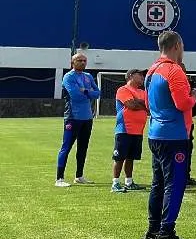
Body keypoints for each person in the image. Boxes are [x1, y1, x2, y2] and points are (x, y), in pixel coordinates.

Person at [144, 30, 196, 239]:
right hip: (173, 136)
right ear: (177, 45)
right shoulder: (174, 71)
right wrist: (194, 96)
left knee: (158, 184)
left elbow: (148, 105)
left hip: (155, 133)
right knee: (174, 185)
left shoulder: (151, 70)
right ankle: (166, 234)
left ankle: (152, 231)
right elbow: (182, 104)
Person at [55, 53, 101, 187]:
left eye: (84, 60)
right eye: (79, 60)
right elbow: (75, 96)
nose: (82, 62)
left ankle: (79, 176)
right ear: (72, 62)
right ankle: (59, 178)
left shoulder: (87, 77)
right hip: (73, 118)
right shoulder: (68, 77)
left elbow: (97, 93)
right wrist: (88, 93)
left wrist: (85, 91)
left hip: (87, 118)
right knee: (66, 147)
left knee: (83, 147)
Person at [112, 69, 148, 193]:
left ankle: (129, 181)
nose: (143, 77)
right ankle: (115, 183)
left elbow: (148, 107)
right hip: (124, 129)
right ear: (131, 76)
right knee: (119, 157)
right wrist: (140, 104)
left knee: (131, 157)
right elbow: (131, 105)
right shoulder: (123, 90)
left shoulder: (143, 92)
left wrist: (139, 102)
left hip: (138, 130)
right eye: (140, 75)